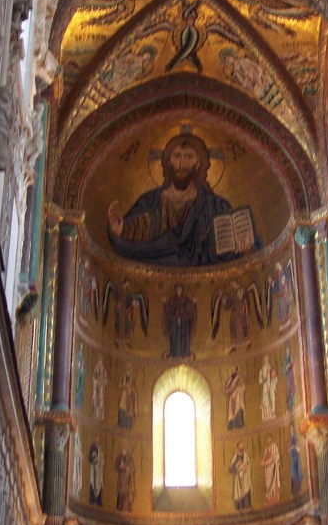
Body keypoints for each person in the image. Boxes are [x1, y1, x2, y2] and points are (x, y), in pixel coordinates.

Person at [107, 132, 256, 266]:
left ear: (198, 164)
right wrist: (119, 231)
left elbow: (233, 254)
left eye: (189, 157)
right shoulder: (149, 201)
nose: (181, 164)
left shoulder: (216, 206)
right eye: (177, 156)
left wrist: (244, 250)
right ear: (168, 162)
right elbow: (130, 239)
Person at [163, 283, 197, 357]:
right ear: (175, 290)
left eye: (180, 289)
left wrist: (193, 303)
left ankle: (185, 352)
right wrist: (165, 303)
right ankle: (174, 352)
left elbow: (189, 309)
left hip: (184, 321)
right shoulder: (172, 299)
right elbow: (169, 310)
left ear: (182, 290)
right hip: (174, 321)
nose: (178, 290)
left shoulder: (186, 299)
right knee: (175, 336)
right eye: (177, 289)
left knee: (184, 336)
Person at [229, 441, 252, 510]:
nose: (242, 447)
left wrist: (246, 467)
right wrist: (237, 465)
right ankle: (239, 509)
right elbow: (230, 469)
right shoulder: (235, 457)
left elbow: (249, 465)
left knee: (246, 492)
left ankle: (247, 508)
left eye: (242, 445)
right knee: (238, 495)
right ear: (238, 447)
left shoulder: (246, 456)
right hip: (238, 479)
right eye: (240, 445)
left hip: (245, 478)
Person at [261, 435, 281, 506]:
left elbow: (277, 456)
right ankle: (269, 500)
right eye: (267, 439)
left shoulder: (274, 447)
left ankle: (275, 499)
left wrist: (273, 459)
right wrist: (264, 462)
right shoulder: (266, 449)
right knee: (268, 484)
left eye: (269, 439)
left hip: (273, 468)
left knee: (274, 483)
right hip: (267, 469)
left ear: (271, 439)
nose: (268, 440)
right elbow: (263, 459)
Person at [115, 446, 136, 512]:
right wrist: (120, 467)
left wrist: (128, 468)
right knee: (120, 492)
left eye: (124, 450)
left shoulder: (129, 458)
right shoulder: (119, 457)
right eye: (122, 450)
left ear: (126, 450)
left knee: (127, 493)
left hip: (128, 479)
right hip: (121, 478)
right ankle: (119, 506)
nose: (123, 451)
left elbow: (133, 468)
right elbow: (116, 467)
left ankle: (127, 507)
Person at [259, 355, 277, 421]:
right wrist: (265, 379)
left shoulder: (270, 368)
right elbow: (260, 381)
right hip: (265, 387)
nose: (267, 361)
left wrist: (274, 378)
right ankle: (266, 415)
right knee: (265, 400)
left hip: (271, 386)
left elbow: (274, 377)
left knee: (272, 398)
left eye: (267, 360)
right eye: (265, 360)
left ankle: (272, 412)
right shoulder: (261, 370)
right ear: (264, 361)